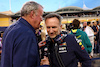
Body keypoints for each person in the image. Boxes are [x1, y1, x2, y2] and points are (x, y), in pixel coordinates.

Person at [1, 1, 49, 67]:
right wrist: (46, 65)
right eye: (41, 16)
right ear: (32, 14)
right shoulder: (27, 33)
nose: (41, 19)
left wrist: (34, 47)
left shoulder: (11, 28)